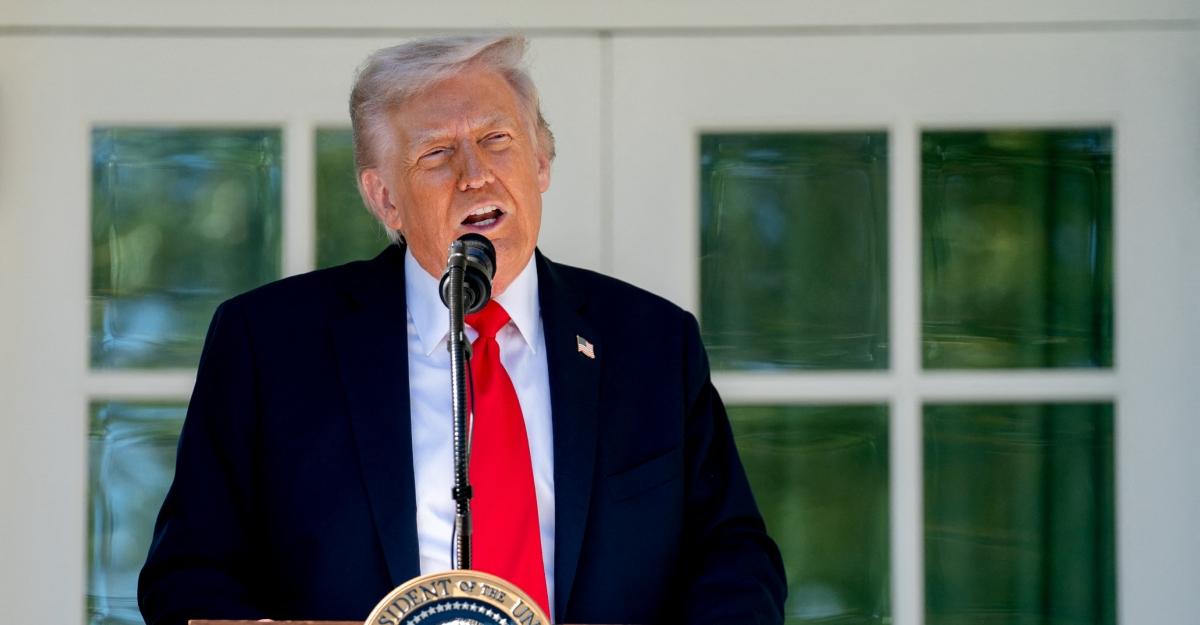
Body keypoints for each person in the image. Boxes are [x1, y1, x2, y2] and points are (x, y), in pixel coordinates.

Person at [139, 34, 786, 625]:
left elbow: (734, 558)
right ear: (385, 197)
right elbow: (187, 577)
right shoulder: (267, 345)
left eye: (497, 140)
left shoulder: (652, 343)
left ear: (542, 162)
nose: (475, 173)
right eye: (438, 153)